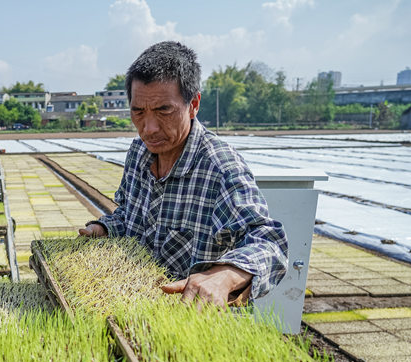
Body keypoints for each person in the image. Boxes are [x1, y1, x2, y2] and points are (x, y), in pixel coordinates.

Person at [78, 41, 288, 307]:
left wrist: (224, 276)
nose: (149, 128)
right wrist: (104, 229)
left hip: (192, 321)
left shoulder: (219, 168)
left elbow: (270, 243)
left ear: (193, 104)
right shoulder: (138, 154)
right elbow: (131, 217)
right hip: (132, 308)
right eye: (138, 112)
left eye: (164, 110)